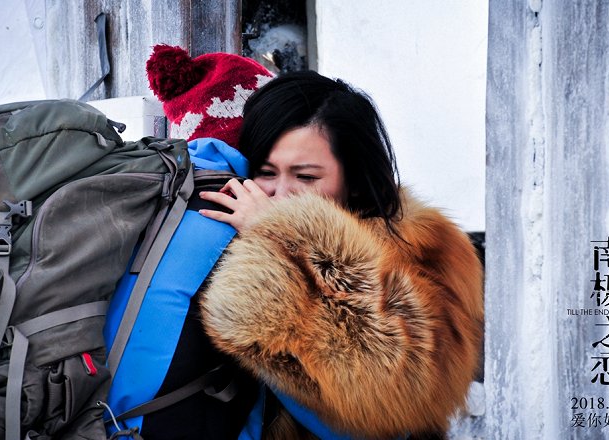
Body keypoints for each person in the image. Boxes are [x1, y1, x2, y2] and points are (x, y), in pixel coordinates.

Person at [197, 70, 484, 439]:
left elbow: (397, 388)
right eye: (266, 172)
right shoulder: (234, 225)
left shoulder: (426, 247)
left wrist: (286, 234)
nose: (280, 194)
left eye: (306, 177)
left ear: (353, 177)